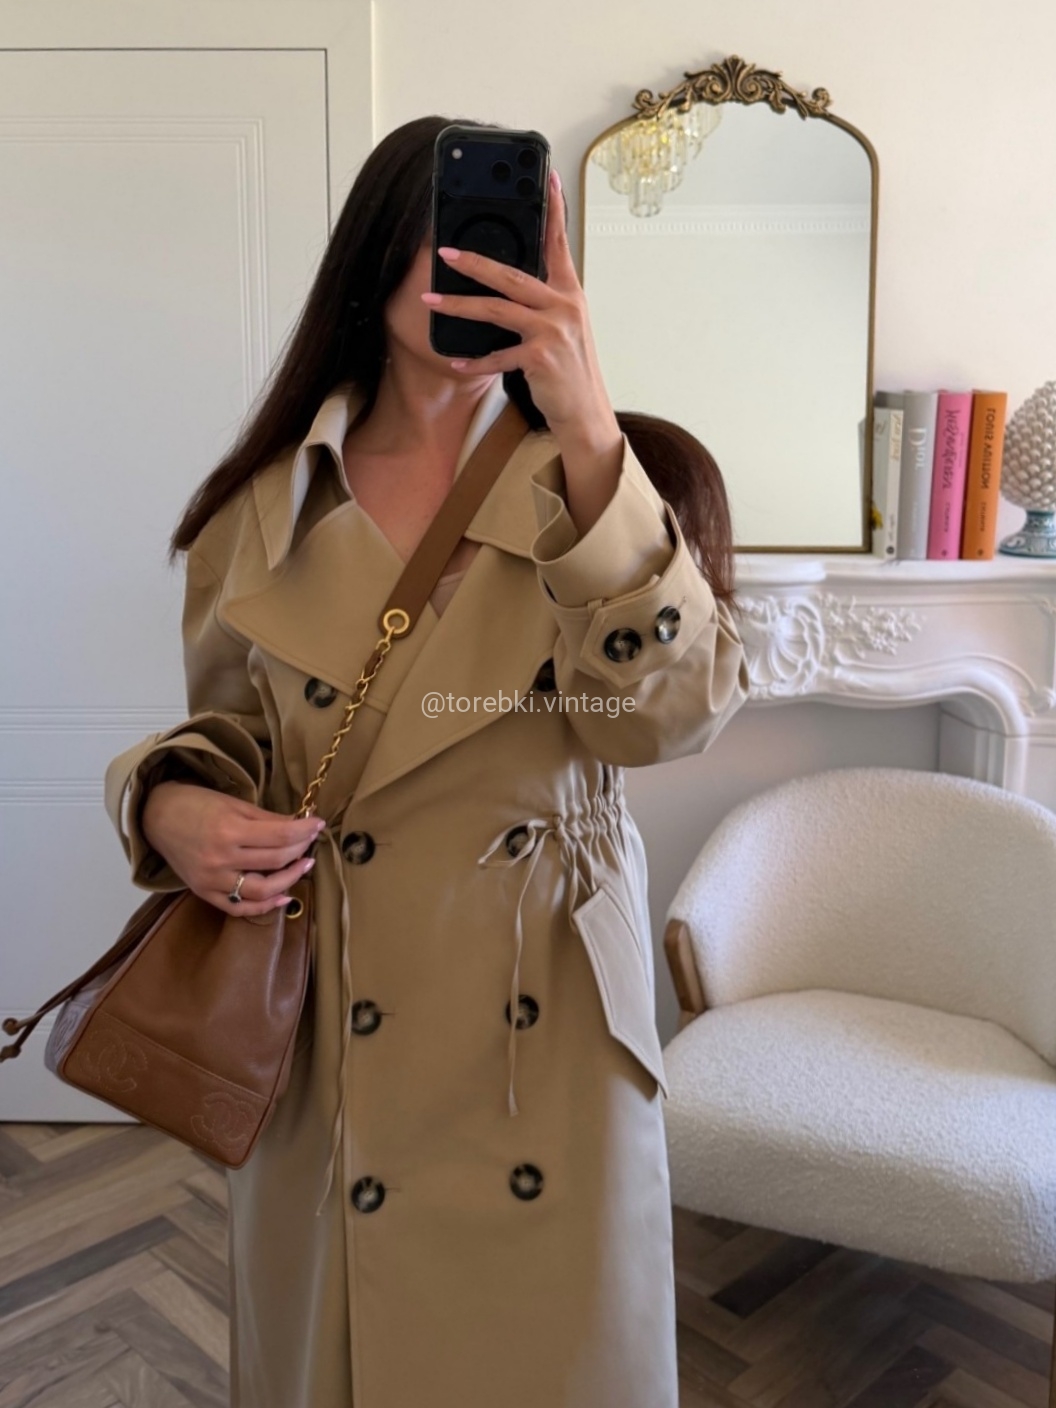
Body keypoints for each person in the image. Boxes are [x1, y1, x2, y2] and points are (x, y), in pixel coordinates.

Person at [103, 114, 750, 1408]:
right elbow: (235, 739)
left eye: (507, 240)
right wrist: (167, 807)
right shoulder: (268, 505)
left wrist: (585, 425)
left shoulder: (603, 484)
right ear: (374, 257)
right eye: (447, 235)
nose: (476, 266)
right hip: (333, 1011)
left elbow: (667, 724)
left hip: (545, 1030)